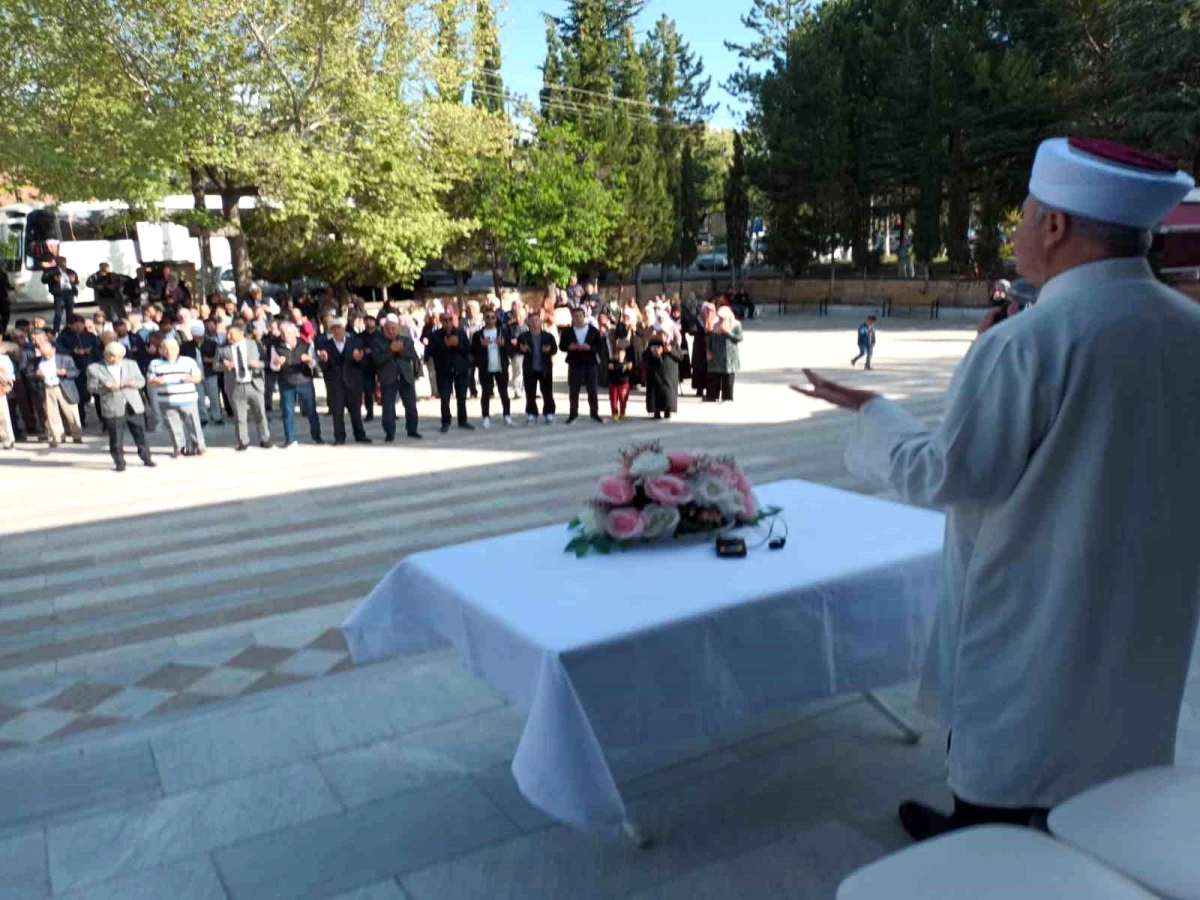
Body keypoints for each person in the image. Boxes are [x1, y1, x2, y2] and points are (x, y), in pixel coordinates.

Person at [798, 136, 1200, 843]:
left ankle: (982, 849)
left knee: (1014, 759)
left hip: (1040, 608)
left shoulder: (1028, 343)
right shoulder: (1188, 328)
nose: (1014, 230)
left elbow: (949, 473)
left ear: (1055, 226)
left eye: (1023, 214)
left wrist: (874, 412)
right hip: (1146, 607)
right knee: (1114, 753)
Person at [86, 342, 154, 471]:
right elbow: (91, 388)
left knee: (140, 433)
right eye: (113, 357)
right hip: (113, 405)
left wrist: (132, 382)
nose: (116, 360)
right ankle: (119, 462)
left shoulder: (131, 364)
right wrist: (104, 387)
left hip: (132, 404)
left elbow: (142, 381)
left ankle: (146, 458)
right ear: (106, 355)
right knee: (116, 437)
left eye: (119, 357)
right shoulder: (94, 368)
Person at [316, 318, 370, 444]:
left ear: (344, 328)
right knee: (337, 411)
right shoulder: (325, 345)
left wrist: (359, 359)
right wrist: (324, 360)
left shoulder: (355, 342)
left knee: (356, 411)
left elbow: (364, 363)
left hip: (353, 382)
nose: (336, 330)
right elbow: (323, 368)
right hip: (335, 383)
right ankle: (339, 437)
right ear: (330, 331)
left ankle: (360, 434)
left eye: (338, 327)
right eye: (333, 328)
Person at [148, 336, 205, 456]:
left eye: (172, 348)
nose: (168, 351)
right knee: (173, 426)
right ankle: (179, 448)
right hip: (166, 400)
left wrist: (191, 378)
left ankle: (199, 446)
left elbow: (198, 377)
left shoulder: (188, 361)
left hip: (187, 399)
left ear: (178, 349)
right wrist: (156, 381)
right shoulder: (155, 363)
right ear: (160, 350)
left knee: (193, 424)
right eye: (165, 348)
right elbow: (150, 381)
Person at [270, 320, 323, 448]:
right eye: (282, 333)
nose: (283, 335)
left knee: (311, 411)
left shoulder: (306, 344)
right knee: (287, 411)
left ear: (295, 333)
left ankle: (317, 436)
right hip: (286, 382)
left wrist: (310, 360)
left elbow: (314, 362)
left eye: (286, 333)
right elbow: (273, 366)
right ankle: (290, 439)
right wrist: (277, 363)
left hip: (304, 380)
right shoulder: (276, 346)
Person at [218, 323, 270, 450]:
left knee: (260, 415)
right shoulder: (222, 348)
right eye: (227, 333)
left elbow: (266, 361)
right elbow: (215, 365)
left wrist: (259, 364)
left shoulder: (254, 344)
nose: (228, 336)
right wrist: (224, 366)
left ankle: (265, 439)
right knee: (240, 417)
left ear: (241, 333)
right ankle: (243, 441)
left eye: (231, 333)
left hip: (254, 384)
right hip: (236, 386)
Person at [371, 314, 421, 441]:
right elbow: (377, 360)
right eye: (388, 329)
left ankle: (412, 430)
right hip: (388, 378)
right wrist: (390, 351)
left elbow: (412, 356)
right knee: (388, 409)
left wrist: (400, 350)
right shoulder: (377, 342)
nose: (391, 331)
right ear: (383, 329)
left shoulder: (406, 340)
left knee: (411, 406)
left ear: (398, 328)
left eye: (393, 328)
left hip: (405, 378)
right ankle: (389, 433)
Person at [29, 334, 83, 446]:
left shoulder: (64, 359)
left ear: (53, 350)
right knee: (52, 414)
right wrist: (37, 374)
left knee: (71, 413)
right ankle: (57, 436)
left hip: (62, 387)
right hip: (47, 388)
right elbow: (29, 374)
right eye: (44, 355)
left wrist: (65, 373)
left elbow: (76, 372)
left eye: (48, 354)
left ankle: (76, 435)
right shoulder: (36, 361)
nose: (47, 356)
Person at [430, 308, 472, 433]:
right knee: (445, 398)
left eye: (450, 319)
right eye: (445, 320)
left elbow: (467, 349)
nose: (447, 322)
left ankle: (463, 421)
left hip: (460, 369)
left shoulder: (461, 333)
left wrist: (457, 344)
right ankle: (445, 421)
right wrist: (446, 345)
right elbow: (432, 351)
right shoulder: (435, 335)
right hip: (444, 371)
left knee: (462, 397)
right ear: (441, 321)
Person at [470, 307, 513, 428]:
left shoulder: (503, 332)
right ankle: (485, 417)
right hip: (485, 368)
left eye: (492, 317)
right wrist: (481, 346)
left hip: (501, 367)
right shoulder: (478, 335)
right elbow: (472, 352)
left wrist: (503, 345)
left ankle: (507, 415)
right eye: (487, 317)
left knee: (504, 392)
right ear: (484, 319)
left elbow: (510, 349)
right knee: (486, 393)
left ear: (496, 319)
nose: (490, 320)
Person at [560, 306, 603, 424]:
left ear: (584, 317)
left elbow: (600, 347)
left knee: (592, 389)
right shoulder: (567, 331)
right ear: (573, 318)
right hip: (574, 363)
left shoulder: (593, 331)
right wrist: (569, 347)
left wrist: (590, 347)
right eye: (576, 316)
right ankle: (573, 413)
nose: (578, 318)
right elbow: (562, 346)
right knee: (574, 390)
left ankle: (594, 413)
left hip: (590, 363)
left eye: (580, 316)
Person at [518, 311, 557, 424]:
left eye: (536, 320)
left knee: (547, 392)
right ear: (528, 323)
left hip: (545, 368)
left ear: (540, 322)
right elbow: (517, 349)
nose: (534, 323)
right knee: (530, 393)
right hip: (530, 368)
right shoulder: (524, 336)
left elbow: (554, 349)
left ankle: (549, 413)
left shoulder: (548, 336)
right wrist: (522, 350)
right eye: (532, 321)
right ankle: (531, 413)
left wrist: (549, 350)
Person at [706, 306, 743, 403]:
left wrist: (728, 332)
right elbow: (710, 339)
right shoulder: (715, 325)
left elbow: (739, 338)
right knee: (714, 376)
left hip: (729, 356)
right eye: (720, 317)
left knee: (728, 376)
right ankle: (712, 396)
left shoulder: (736, 325)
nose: (720, 319)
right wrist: (708, 351)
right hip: (716, 355)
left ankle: (727, 397)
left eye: (723, 318)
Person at [645, 327, 682, 420]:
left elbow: (680, 357)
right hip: (655, 373)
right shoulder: (653, 343)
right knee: (655, 392)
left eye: (664, 334)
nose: (662, 336)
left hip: (669, 375)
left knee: (668, 393)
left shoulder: (673, 344)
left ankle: (667, 411)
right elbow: (645, 355)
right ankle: (656, 412)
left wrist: (670, 351)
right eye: (660, 333)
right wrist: (654, 352)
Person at [42, 256, 79, 333]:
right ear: (57, 262)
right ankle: (56, 330)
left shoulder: (70, 271)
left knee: (70, 313)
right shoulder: (51, 271)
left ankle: (69, 329)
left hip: (69, 293)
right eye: (60, 261)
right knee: (58, 313)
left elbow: (76, 281)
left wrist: (74, 280)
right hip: (58, 293)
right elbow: (43, 279)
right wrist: (53, 279)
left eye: (64, 261)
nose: (62, 263)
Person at [463, 299, 485, 399]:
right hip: (468, 351)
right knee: (469, 373)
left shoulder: (482, 322)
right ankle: (473, 391)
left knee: (484, 372)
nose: (471, 311)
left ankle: (487, 390)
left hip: (480, 351)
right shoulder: (463, 322)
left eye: (473, 309)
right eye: (469, 309)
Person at [606, 345, 633, 421]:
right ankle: (614, 413)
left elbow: (626, 373)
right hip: (613, 384)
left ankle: (622, 413)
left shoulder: (626, 362)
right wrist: (612, 368)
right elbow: (611, 372)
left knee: (623, 400)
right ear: (616, 354)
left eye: (623, 354)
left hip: (624, 384)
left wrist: (628, 369)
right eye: (619, 354)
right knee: (613, 400)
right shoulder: (611, 362)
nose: (621, 356)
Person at [505, 298, 525, 399]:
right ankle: (517, 390)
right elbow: (507, 338)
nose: (518, 317)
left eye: (520, 315)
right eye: (517, 315)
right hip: (515, 352)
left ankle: (523, 389)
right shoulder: (511, 326)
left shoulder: (526, 326)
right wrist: (512, 342)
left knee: (525, 371)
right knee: (517, 371)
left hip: (525, 352)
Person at [0, 343, 16, 449]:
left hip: (0, 390)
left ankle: (8, 440)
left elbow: (10, 376)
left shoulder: (4, 359)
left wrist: (7, 382)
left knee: (3, 417)